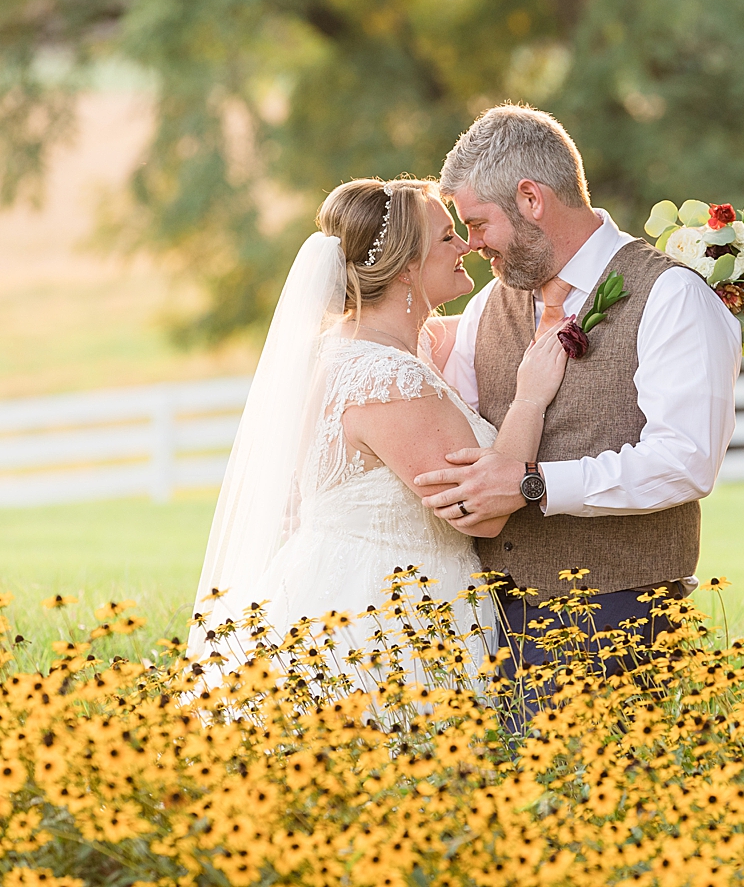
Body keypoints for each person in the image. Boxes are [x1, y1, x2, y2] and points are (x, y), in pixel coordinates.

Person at [188, 178, 568, 697]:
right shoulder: (387, 379)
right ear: (408, 267)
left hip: (345, 588)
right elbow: (482, 511)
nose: (467, 247)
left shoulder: (355, 344)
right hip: (390, 622)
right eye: (447, 238)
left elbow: (473, 328)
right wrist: (530, 397)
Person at [412, 104, 741, 681]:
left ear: (531, 199)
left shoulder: (671, 296)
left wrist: (535, 485)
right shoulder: (489, 305)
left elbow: (686, 461)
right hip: (494, 623)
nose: (472, 245)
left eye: (479, 224)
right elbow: (466, 442)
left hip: (625, 620)